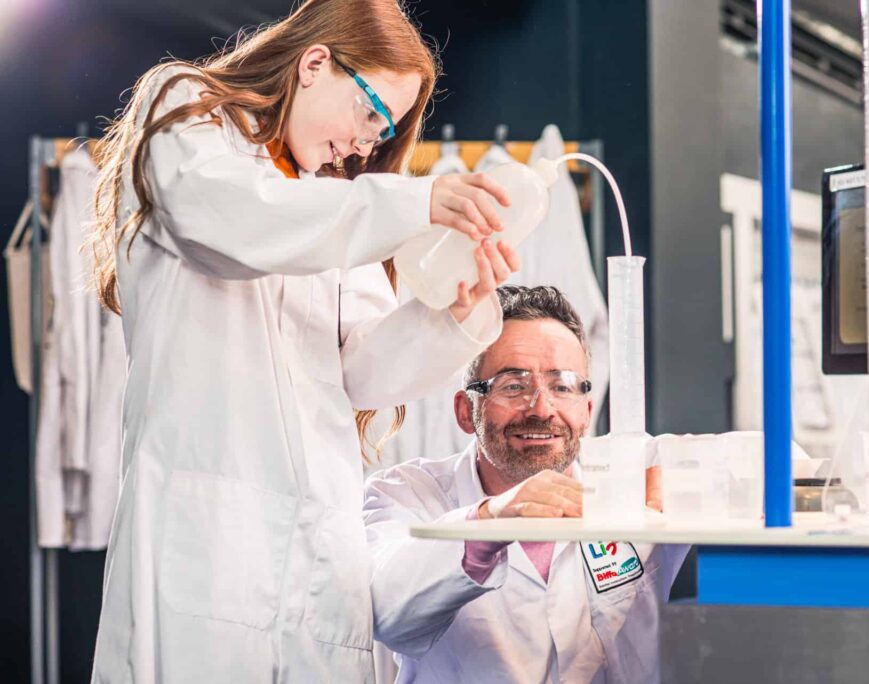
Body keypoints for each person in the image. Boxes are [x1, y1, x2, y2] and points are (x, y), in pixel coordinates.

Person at [86, 1, 521, 681]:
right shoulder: (186, 112)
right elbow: (236, 220)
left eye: (386, 132)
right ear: (316, 63)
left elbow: (365, 373)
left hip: (321, 549)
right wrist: (414, 202)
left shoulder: (334, 199)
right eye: (372, 115)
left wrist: (450, 315)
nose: (368, 144)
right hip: (207, 538)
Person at [363, 286, 690, 684]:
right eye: (513, 386)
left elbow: (777, 459)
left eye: (563, 385)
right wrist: (491, 521)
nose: (541, 408)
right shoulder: (404, 493)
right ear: (467, 412)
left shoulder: (631, 468)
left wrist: (690, 478)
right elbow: (385, 611)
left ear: (587, 411)